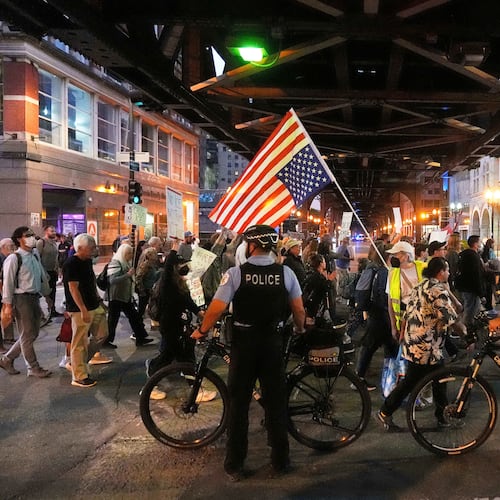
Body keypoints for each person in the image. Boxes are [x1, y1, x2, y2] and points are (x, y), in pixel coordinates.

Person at [191, 225, 306, 481]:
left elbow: (216, 309)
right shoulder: (285, 273)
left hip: (244, 344)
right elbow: (299, 310)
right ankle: (280, 460)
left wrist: (202, 330)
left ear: (251, 246)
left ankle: (235, 464)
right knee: (276, 402)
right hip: (272, 343)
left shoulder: (235, 274)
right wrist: (298, 329)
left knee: (238, 404)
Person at [377, 257, 467, 431]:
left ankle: (442, 416)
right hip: (426, 347)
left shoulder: (420, 286)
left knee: (439, 378)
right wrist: (465, 333)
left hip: (415, 343)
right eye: (447, 270)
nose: (449, 273)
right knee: (414, 382)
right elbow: (450, 318)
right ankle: (385, 411)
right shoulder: (436, 290)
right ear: (441, 272)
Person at [146, 238, 205, 380]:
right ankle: (151, 380)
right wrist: (174, 247)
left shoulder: (181, 284)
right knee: (174, 356)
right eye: (180, 265)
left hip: (179, 324)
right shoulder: (168, 284)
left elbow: (188, 301)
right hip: (170, 324)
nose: (184, 267)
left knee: (177, 355)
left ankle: (191, 384)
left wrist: (199, 312)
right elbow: (168, 266)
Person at [0, 226, 52, 377]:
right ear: (18, 239)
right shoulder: (14, 258)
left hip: (34, 297)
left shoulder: (34, 254)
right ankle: (33, 367)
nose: (31, 237)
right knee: (28, 334)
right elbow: (8, 283)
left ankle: (7, 359)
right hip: (21, 299)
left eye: (32, 235)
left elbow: (41, 276)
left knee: (31, 333)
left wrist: (46, 294)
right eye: (27, 235)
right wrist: (7, 305)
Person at [62, 234, 112, 387]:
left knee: (102, 334)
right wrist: (82, 309)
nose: (94, 250)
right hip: (79, 309)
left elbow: (90, 283)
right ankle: (79, 376)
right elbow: (73, 288)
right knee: (79, 342)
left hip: (94, 305)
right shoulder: (71, 263)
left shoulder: (87, 261)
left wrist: (99, 301)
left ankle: (78, 363)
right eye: (91, 248)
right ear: (80, 248)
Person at [354, 243, 397, 391]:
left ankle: (389, 378)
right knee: (371, 346)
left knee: (385, 346)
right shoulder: (384, 272)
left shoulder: (372, 267)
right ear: (388, 256)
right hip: (381, 314)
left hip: (374, 313)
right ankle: (358, 379)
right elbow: (384, 296)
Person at [105, 244, 154, 348]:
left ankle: (140, 337)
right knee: (113, 320)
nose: (131, 255)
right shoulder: (116, 263)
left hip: (125, 296)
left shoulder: (126, 263)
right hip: (116, 296)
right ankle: (107, 340)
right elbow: (112, 280)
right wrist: (127, 275)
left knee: (134, 317)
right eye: (128, 253)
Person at [386, 241, 426, 342]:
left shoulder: (423, 268)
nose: (393, 257)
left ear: (406, 255)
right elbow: (390, 301)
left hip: (422, 316)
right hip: (403, 319)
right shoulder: (392, 273)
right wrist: (393, 326)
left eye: (396, 254)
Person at [455, 235, 486, 327]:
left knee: (469, 308)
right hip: (471, 288)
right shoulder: (473, 256)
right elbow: (476, 274)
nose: (480, 244)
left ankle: (466, 328)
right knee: (470, 310)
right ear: (475, 244)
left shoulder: (464, 255)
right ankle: (466, 330)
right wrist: (481, 292)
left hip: (465, 286)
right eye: (479, 242)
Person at [36, 225, 63, 318]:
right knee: (45, 292)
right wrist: (41, 272)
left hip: (53, 271)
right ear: (46, 232)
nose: (54, 233)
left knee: (53, 291)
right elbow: (37, 258)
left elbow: (56, 257)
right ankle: (41, 313)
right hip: (44, 272)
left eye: (54, 231)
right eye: (52, 231)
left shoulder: (54, 243)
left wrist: (58, 269)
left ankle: (52, 310)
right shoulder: (41, 242)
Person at [135, 247, 162, 319]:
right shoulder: (146, 265)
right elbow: (138, 278)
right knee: (141, 308)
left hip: (149, 288)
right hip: (144, 290)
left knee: (146, 307)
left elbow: (153, 277)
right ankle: (138, 322)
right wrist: (141, 290)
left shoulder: (152, 264)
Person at [0, 237, 16, 349]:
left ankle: (8, 337)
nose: (13, 249)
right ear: (3, 248)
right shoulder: (2, 258)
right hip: (2, 291)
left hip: (6, 291)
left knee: (7, 315)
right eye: (10, 247)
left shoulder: (8, 258)